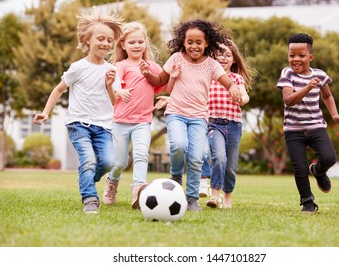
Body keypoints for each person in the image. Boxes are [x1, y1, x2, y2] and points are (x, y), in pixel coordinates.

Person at [140, 19, 242, 211]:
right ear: (183, 42)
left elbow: (226, 80)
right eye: (189, 42)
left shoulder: (212, 64)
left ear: (206, 43)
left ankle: (192, 198)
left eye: (198, 42)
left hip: (199, 117)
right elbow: (161, 80)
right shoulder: (176, 59)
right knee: (179, 145)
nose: (194, 46)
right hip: (176, 113)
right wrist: (147, 74)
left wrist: (234, 87)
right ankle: (176, 176)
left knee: (196, 157)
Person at [33, 12, 123, 214]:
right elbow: (58, 89)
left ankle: (87, 179)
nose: (105, 43)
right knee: (88, 160)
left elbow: (115, 102)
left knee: (108, 162)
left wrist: (109, 86)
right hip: (78, 123)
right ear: (87, 40)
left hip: (103, 126)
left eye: (109, 40)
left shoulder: (111, 70)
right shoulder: (78, 68)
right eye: (101, 39)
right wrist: (46, 112)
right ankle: (90, 198)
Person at [277, 33, 339, 213]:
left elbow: (327, 95)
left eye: (301, 55)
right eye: (292, 55)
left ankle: (318, 171)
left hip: (316, 126)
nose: (296, 59)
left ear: (310, 57)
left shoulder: (320, 75)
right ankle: (307, 203)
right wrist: (307, 87)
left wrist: (334, 114)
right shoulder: (287, 73)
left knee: (329, 158)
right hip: (293, 129)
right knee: (299, 167)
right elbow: (288, 100)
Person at [102, 21, 166, 209]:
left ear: (145, 43)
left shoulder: (152, 67)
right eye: (132, 42)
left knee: (141, 154)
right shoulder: (121, 65)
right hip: (120, 122)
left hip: (143, 122)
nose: (137, 46)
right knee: (120, 162)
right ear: (123, 44)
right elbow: (115, 81)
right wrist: (119, 91)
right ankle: (112, 182)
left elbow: (163, 83)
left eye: (140, 42)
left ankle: (138, 189)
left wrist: (174, 78)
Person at [204, 40, 254, 209]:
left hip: (233, 125)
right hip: (213, 123)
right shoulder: (208, 76)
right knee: (218, 158)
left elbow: (244, 95)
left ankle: (227, 197)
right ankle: (214, 194)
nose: (223, 58)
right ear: (212, 56)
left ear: (234, 59)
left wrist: (242, 100)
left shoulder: (236, 78)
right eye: (219, 54)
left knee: (231, 165)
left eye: (228, 55)